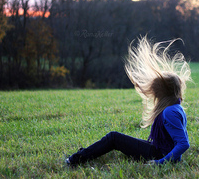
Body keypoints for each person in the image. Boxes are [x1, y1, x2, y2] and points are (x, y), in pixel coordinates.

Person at [66, 36, 191, 166]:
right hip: (159, 149)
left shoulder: (170, 111)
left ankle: (75, 160)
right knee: (117, 139)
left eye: (155, 92)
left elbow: (183, 143)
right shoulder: (175, 107)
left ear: (163, 92)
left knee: (114, 138)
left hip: (159, 154)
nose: (153, 95)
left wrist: (160, 162)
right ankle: (85, 153)